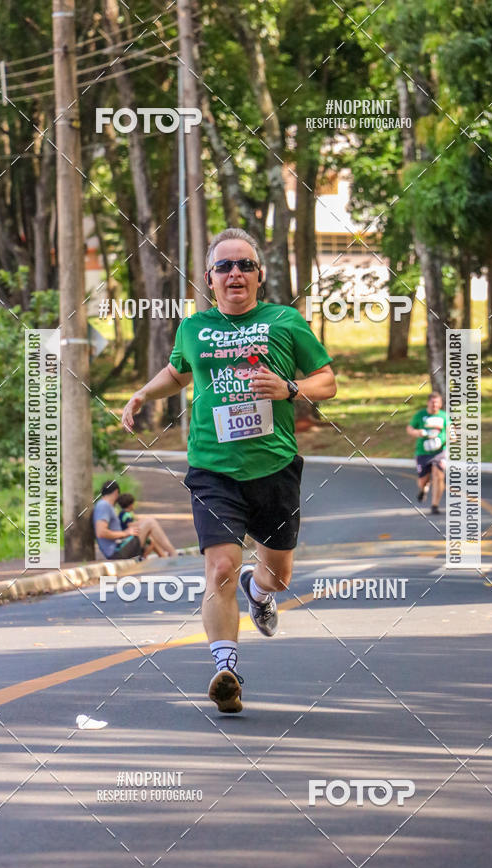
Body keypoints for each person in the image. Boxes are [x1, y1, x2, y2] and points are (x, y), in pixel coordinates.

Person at [122, 228, 336, 714]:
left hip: (275, 467)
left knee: (277, 576)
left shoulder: (285, 321)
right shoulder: (194, 329)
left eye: (244, 265)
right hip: (212, 469)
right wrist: (142, 393)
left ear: (259, 276)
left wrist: (289, 388)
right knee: (220, 566)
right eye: (225, 267)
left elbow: (328, 381)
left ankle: (259, 594)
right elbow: (178, 373)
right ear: (209, 279)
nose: (234, 273)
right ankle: (227, 668)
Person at [406, 392, 456, 514]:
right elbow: (410, 429)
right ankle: (423, 489)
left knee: (439, 475)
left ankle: (435, 505)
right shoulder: (420, 415)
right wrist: (417, 433)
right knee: (423, 480)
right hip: (423, 452)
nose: (434, 405)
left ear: (440, 404)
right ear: (428, 403)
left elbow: (451, 429)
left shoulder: (444, 416)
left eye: (437, 402)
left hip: (440, 452)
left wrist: (453, 437)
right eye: (432, 402)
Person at [93, 480, 143, 560]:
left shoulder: (105, 505)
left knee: (148, 525)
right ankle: (170, 555)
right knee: (150, 523)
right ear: (116, 492)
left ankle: (166, 556)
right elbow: (101, 532)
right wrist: (125, 533)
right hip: (115, 551)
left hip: (118, 547)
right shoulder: (103, 505)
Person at [117, 492, 177, 558]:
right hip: (128, 538)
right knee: (151, 542)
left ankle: (163, 555)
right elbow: (129, 525)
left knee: (151, 540)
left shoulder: (126, 513)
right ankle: (146, 557)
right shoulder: (125, 514)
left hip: (130, 537)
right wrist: (141, 522)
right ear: (130, 505)